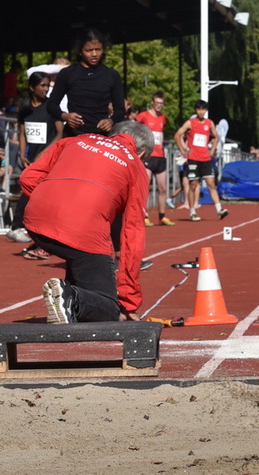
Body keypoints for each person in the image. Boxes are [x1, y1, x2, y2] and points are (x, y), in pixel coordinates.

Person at [19, 121, 153, 324]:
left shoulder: (76, 140)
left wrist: (51, 202)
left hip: (35, 221)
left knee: (78, 254)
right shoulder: (135, 164)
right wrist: (128, 300)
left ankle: (66, 297)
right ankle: (70, 298)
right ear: (141, 154)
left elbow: (28, 177)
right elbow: (132, 233)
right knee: (109, 308)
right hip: (83, 230)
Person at [5, 72, 64, 255]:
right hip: (30, 159)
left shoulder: (51, 107)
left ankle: (21, 228)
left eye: (48, 86)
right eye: (42, 86)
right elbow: (22, 133)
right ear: (32, 87)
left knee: (34, 192)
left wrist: (45, 154)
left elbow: (60, 133)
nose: (46, 89)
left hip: (49, 158)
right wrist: (22, 155)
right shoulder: (25, 108)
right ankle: (35, 237)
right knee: (31, 192)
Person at [47, 27, 126, 137]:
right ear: (80, 51)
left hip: (101, 138)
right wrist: (65, 116)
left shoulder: (112, 75)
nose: (94, 54)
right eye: (89, 50)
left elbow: (120, 110)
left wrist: (111, 121)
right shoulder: (67, 73)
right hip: (73, 136)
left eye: (98, 49)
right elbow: (51, 104)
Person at [173, 100, 228, 221]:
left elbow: (216, 136)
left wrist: (212, 150)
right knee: (193, 185)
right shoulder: (190, 123)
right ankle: (192, 211)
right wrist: (183, 150)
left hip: (206, 158)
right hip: (193, 159)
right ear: (196, 110)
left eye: (203, 109)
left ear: (206, 110)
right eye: (198, 109)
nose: (201, 112)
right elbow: (177, 135)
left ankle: (219, 209)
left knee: (211, 184)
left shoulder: (209, 123)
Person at [135, 92, 174, 227]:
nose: (159, 106)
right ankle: (144, 215)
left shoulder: (163, 118)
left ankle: (162, 216)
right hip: (148, 155)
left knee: (162, 188)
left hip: (160, 156)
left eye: (161, 104)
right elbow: (134, 126)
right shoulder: (144, 116)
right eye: (157, 103)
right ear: (152, 102)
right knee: (145, 187)